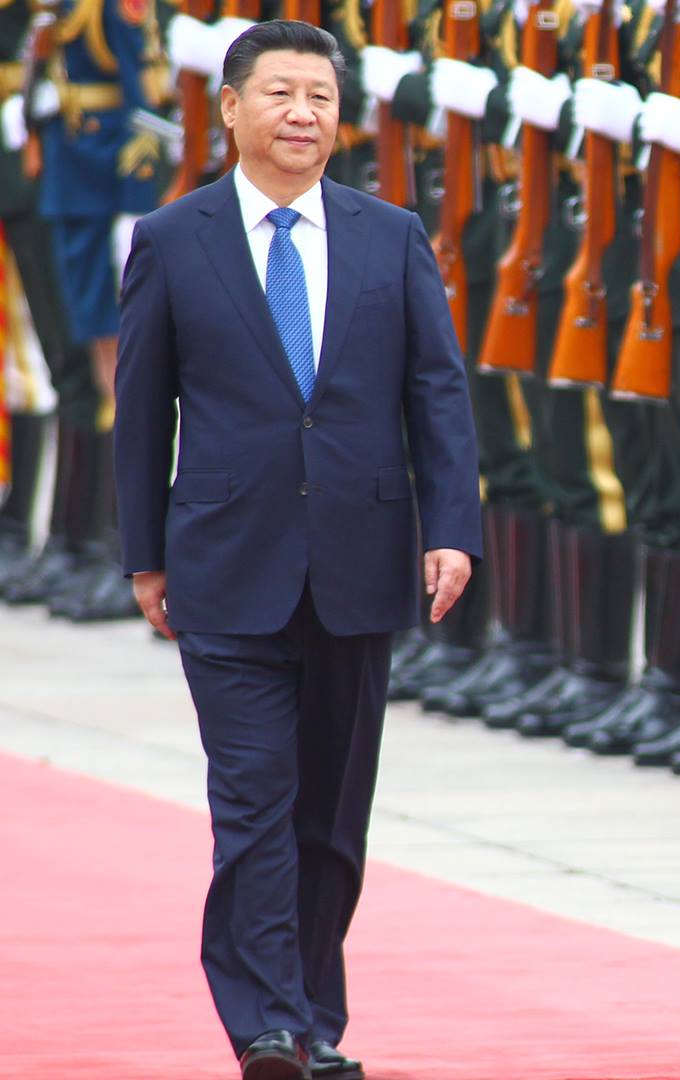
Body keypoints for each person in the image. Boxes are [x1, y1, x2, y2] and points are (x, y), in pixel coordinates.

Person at [113, 19, 483, 1080]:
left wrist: (452, 529)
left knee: (330, 816)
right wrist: (144, 554)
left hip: (360, 562)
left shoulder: (389, 235)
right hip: (225, 564)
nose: (301, 115)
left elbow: (437, 391)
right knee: (253, 804)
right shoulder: (175, 238)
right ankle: (268, 1024)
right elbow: (141, 409)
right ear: (230, 108)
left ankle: (313, 1019)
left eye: (320, 96)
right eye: (279, 93)